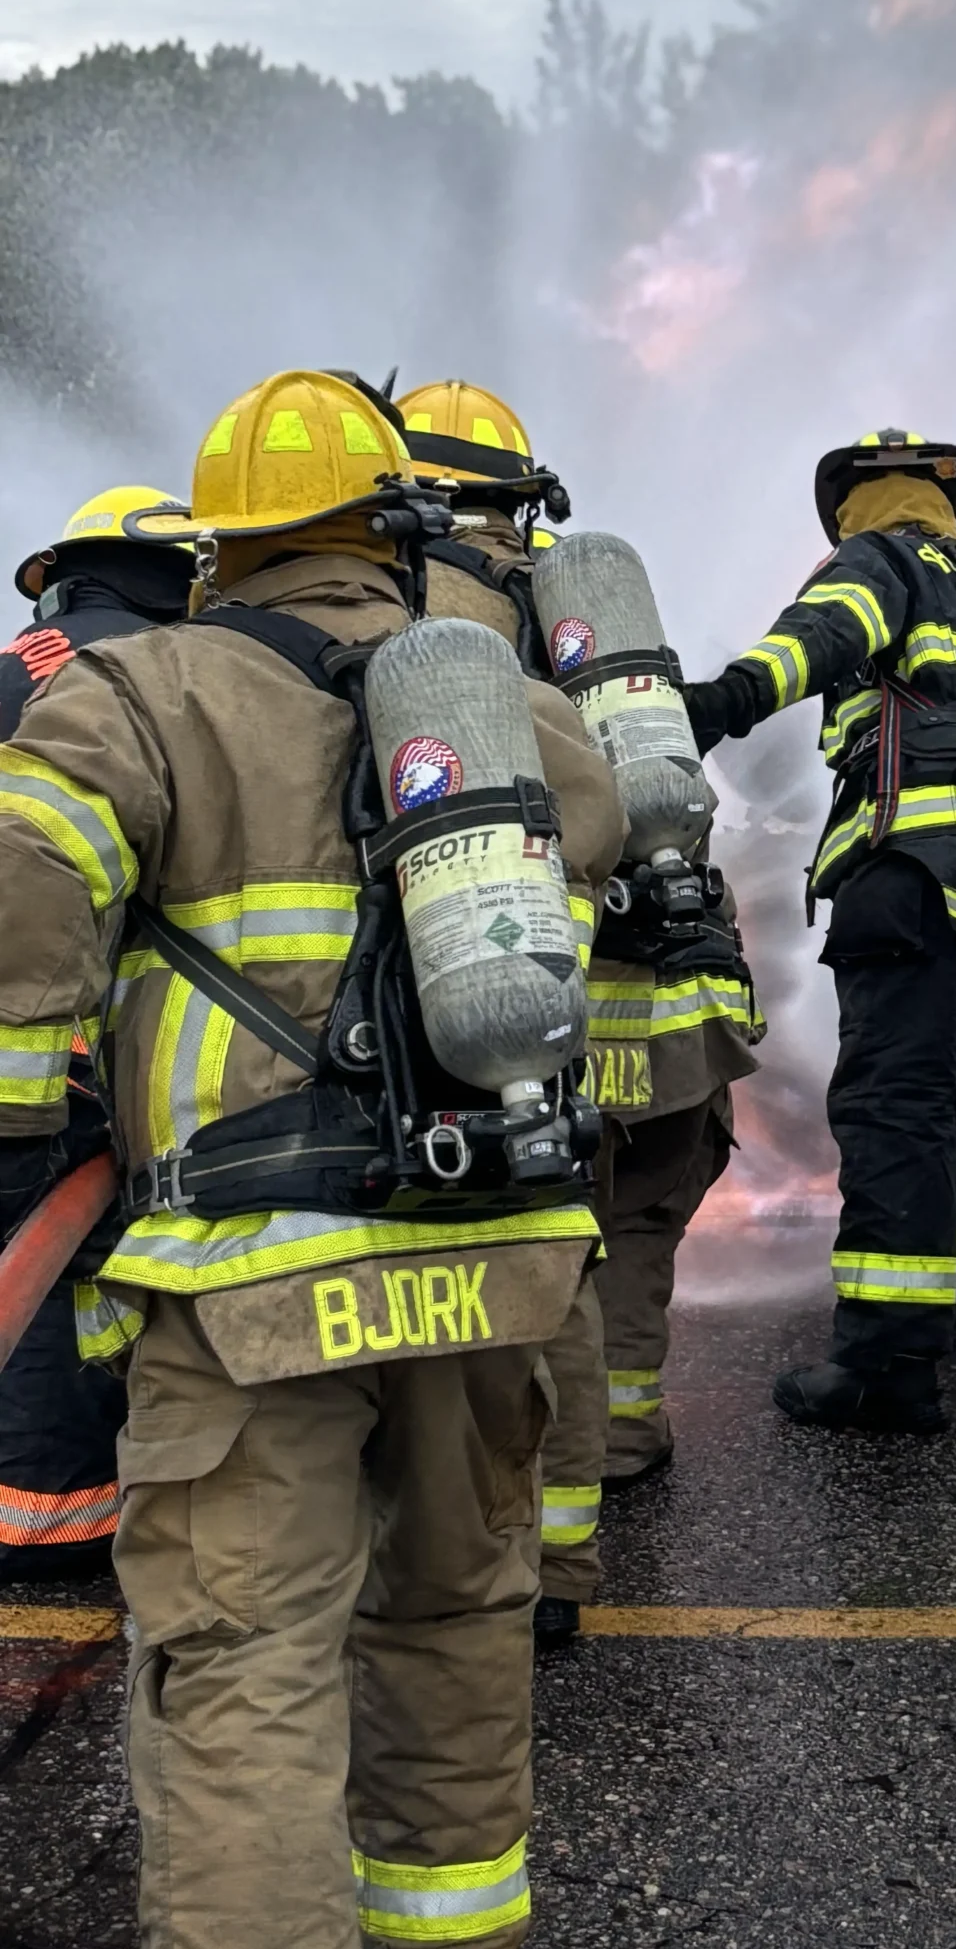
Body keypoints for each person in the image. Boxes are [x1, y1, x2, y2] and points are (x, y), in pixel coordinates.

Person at [0, 369, 624, 1949]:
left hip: (249, 1277)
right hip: (487, 1259)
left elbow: (22, 903)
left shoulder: (139, 694)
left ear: (223, 547)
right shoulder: (489, 700)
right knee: (457, 1609)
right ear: (390, 531)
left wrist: (24, 1123)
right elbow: (604, 826)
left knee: (244, 1660)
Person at [398, 379, 762, 1638]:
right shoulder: (588, 615)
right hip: (673, 996)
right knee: (638, 1224)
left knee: (541, 1254)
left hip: (530, 1004)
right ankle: (615, 1451)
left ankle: (524, 1552)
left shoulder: (427, 621)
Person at [684, 429, 956, 1435]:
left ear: (852, 506)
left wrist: (722, 702)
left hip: (901, 872)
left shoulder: (882, 559)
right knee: (935, 1109)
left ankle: (885, 1364)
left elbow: (821, 633)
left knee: (886, 1110)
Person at [0, 485, 194, 1581]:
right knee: (84, 1274)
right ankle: (52, 1514)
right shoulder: (180, 679)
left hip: (20, 1036)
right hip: (90, 1044)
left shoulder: (8, 668)